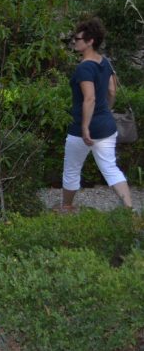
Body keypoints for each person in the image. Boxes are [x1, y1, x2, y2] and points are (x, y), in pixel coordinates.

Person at [61, 18, 133, 211]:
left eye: (78, 38)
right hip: (106, 126)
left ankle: (66, 207)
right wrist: (107, 110)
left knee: (72, 169)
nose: (74, 42)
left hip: (82, 128)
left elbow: (89, 98)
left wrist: (85, 127)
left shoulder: (84, 67)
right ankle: (129, 210)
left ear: (90, 41)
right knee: (110, 168)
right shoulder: (105, 62)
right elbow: (112, 91)